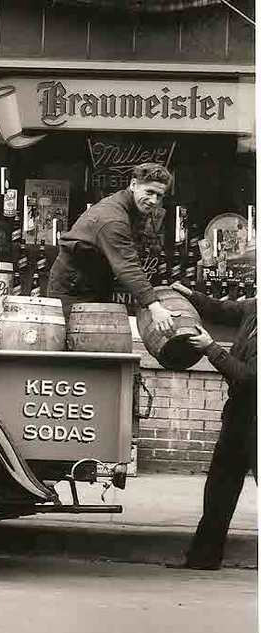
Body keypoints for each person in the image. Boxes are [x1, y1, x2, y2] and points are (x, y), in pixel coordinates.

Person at [168, 280, 256, 570]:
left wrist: (211, 348)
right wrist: (189, 295)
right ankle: (203, 558)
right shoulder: (254, 308)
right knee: (220, 487)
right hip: (241, 415)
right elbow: (220, 309)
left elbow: (248, 378)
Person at [47, 162, 177, 336]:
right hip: (73, 290)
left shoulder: (129, 207)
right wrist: (154, 306)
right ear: (133, 185)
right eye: (149, 192)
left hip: (93, 285)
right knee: (77, 343)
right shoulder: (113, 219)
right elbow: (127, 266)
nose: (154, 200)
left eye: (159, 195)